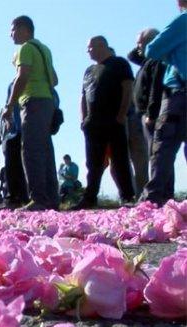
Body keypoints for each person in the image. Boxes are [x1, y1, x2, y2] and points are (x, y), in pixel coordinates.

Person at [1, 15, 60, 211]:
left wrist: (10, 105)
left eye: (13, 29)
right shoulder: (44, 49)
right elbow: (54, 79)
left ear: (24, 29)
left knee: (31, 151)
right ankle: (51, 199)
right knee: (45, 151)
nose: (10, 34)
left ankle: (38, 199)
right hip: (47, 102)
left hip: (32, 102)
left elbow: (22, 76)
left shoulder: (25, 48)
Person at [72, 36, 136, 210]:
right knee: (93, 163)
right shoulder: (89, 71)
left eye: (90, 47)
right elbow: (83, 96)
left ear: (101, 45)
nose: (88, 51)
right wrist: (83, 119)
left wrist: (122, 114)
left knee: (120, 159)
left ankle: (127, 196)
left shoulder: (119, 63)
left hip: (113, 119)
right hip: (92, 123)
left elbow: (127, 88)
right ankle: (90, 198)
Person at [140, 0, 187, 206]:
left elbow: (152, 50)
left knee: (164, 144)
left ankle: (153, 197)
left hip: (179, 92)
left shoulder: (183, 20)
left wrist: (173, 56)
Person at [128, 29, 165, 197]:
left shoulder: (156, 61)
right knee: (153, 154)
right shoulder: (146, 61)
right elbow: (131, 56)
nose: (137, 47)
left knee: (157, 154)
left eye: (140, 44)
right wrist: (141, 44)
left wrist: (151, 113)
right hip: (143, 114)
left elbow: (155, 88)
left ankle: (160, 193)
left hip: (152, 114)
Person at [0, 82, 29, 208]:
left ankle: (26, 197)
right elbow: (8, 108)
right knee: (12, 165)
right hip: (13, 132)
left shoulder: (30, 81)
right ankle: (14, 197)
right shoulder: (12, 85)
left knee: (26, 165)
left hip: (27, 129)